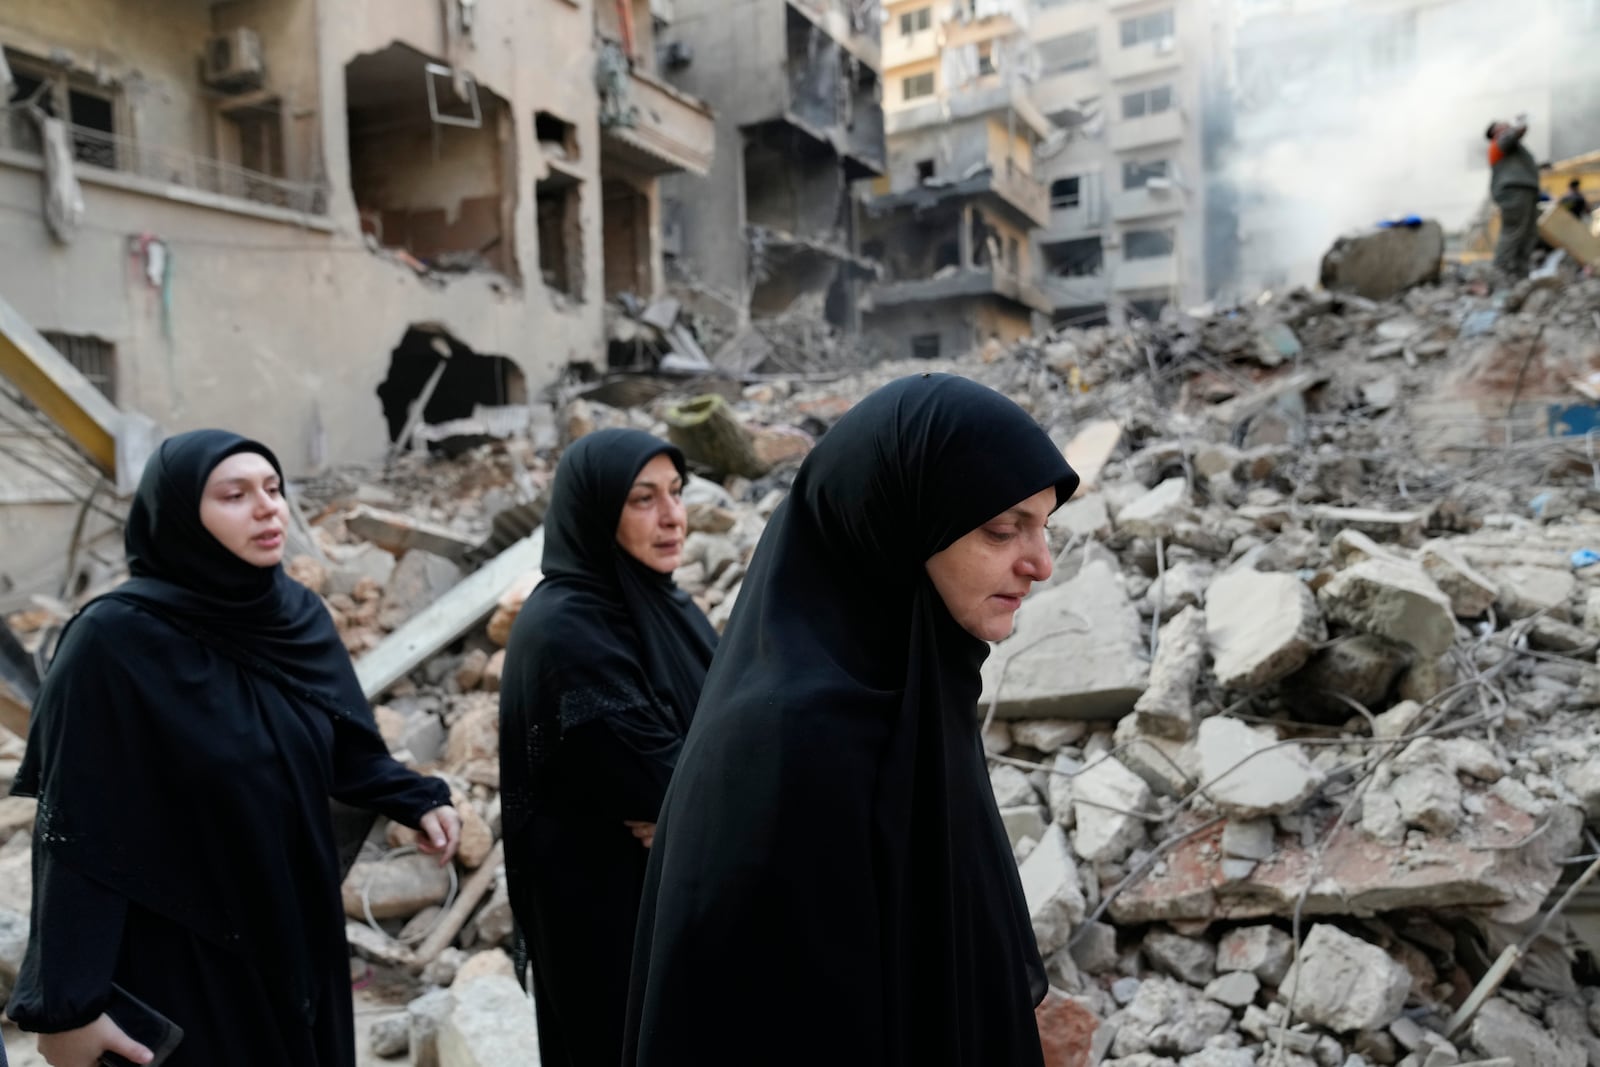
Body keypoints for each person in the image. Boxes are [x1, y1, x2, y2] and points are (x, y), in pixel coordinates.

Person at [625, 374, 1080, 1066]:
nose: (1040, 564)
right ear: (896, 521)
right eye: (1001, 528)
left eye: (1045, 526)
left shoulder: (918, 690)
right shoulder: (787, 743)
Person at [8, 430, 461, 1067]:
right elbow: (75, 830)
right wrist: (67, 1004)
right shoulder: (113, 644)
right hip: (185, 947)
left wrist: (415, 798)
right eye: (235, 494)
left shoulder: (294, 615)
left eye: (273, 489)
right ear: (179, 514)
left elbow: (337, 743)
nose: (268, 507)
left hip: (296, 932)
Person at [499, 429, 716, 1067]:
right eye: (642, 499)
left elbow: (728, 754)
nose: (673, 516)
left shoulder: (662, 604)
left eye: (676, 493)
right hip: (608, 924)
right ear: (594, 509)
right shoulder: (566, 629)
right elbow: (665, 781)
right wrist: (698, 802)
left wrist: (693, 809)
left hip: (678, 902)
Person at [1485, 116, 1541, 279]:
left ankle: (1520, 274)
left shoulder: (1510, 148)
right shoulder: (1500, 142)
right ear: (1496, 131)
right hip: (1514, 191)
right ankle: (1499, 272)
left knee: (1529, 234)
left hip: (1525, 190)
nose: (1506, 124)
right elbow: (1515, 133)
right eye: (1502, 125)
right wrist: (1520, 124)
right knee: (1514, 232)